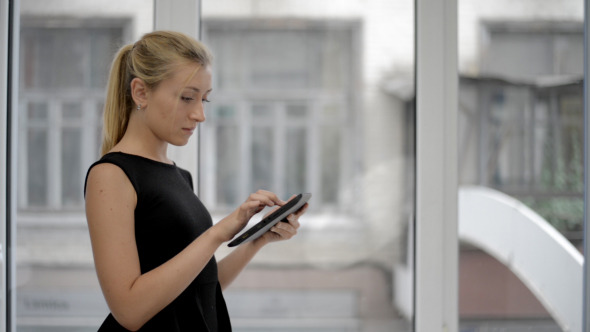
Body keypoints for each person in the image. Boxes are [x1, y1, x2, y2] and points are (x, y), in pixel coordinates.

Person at [84, 30, 308, 331]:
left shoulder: (179, 176)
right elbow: (129, 310)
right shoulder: (110, 176)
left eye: (204, 99)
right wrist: (217, 234)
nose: (200, 114)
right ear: (141, 93)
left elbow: (201, 288)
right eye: (187, 98)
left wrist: (258, 239)